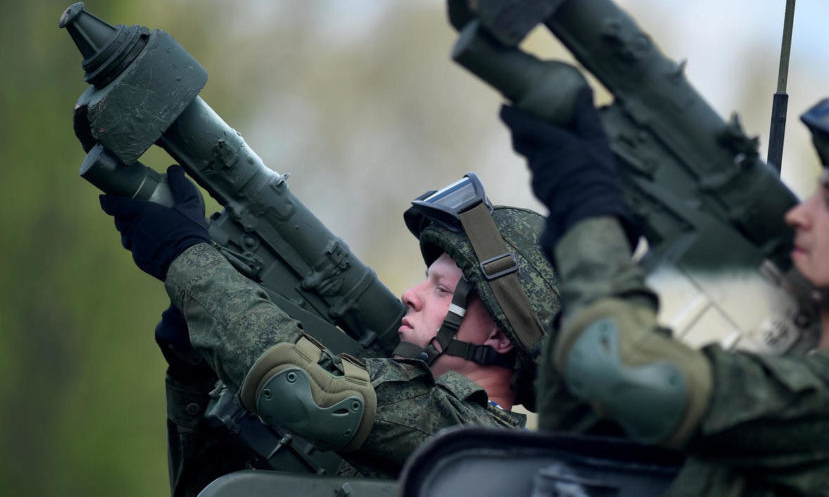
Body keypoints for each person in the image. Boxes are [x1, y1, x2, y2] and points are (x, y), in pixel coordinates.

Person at [499, 79, 829, 495]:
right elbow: (582, 447)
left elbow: (623, 372)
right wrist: (580, 256)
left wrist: (592, 224)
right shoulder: (804, 368)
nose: (799, 215)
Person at [99, 171, 559, 493]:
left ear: (501, 337)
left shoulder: (477, 444)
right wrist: (190, 373)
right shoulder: (404, 431)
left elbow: (302, 388)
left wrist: (186, 258)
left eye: (441, 290)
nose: (411, 294)